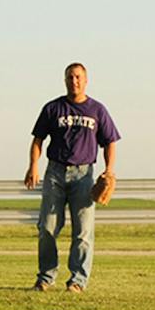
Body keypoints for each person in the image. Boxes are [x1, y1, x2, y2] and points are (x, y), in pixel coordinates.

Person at [24, 62, 120, 292]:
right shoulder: (53, 108)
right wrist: (33, 166)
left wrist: (109, 170)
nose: (74, 81)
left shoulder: (97, 110)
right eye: (70, 77)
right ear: (65, 80)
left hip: (84, 174)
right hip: (55, 172)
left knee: (83, 231)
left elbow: (110, 142)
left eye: (78, 77)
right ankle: (46, 277)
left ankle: (77, 280)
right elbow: (38, 140)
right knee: (47, 227)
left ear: (86, 80)